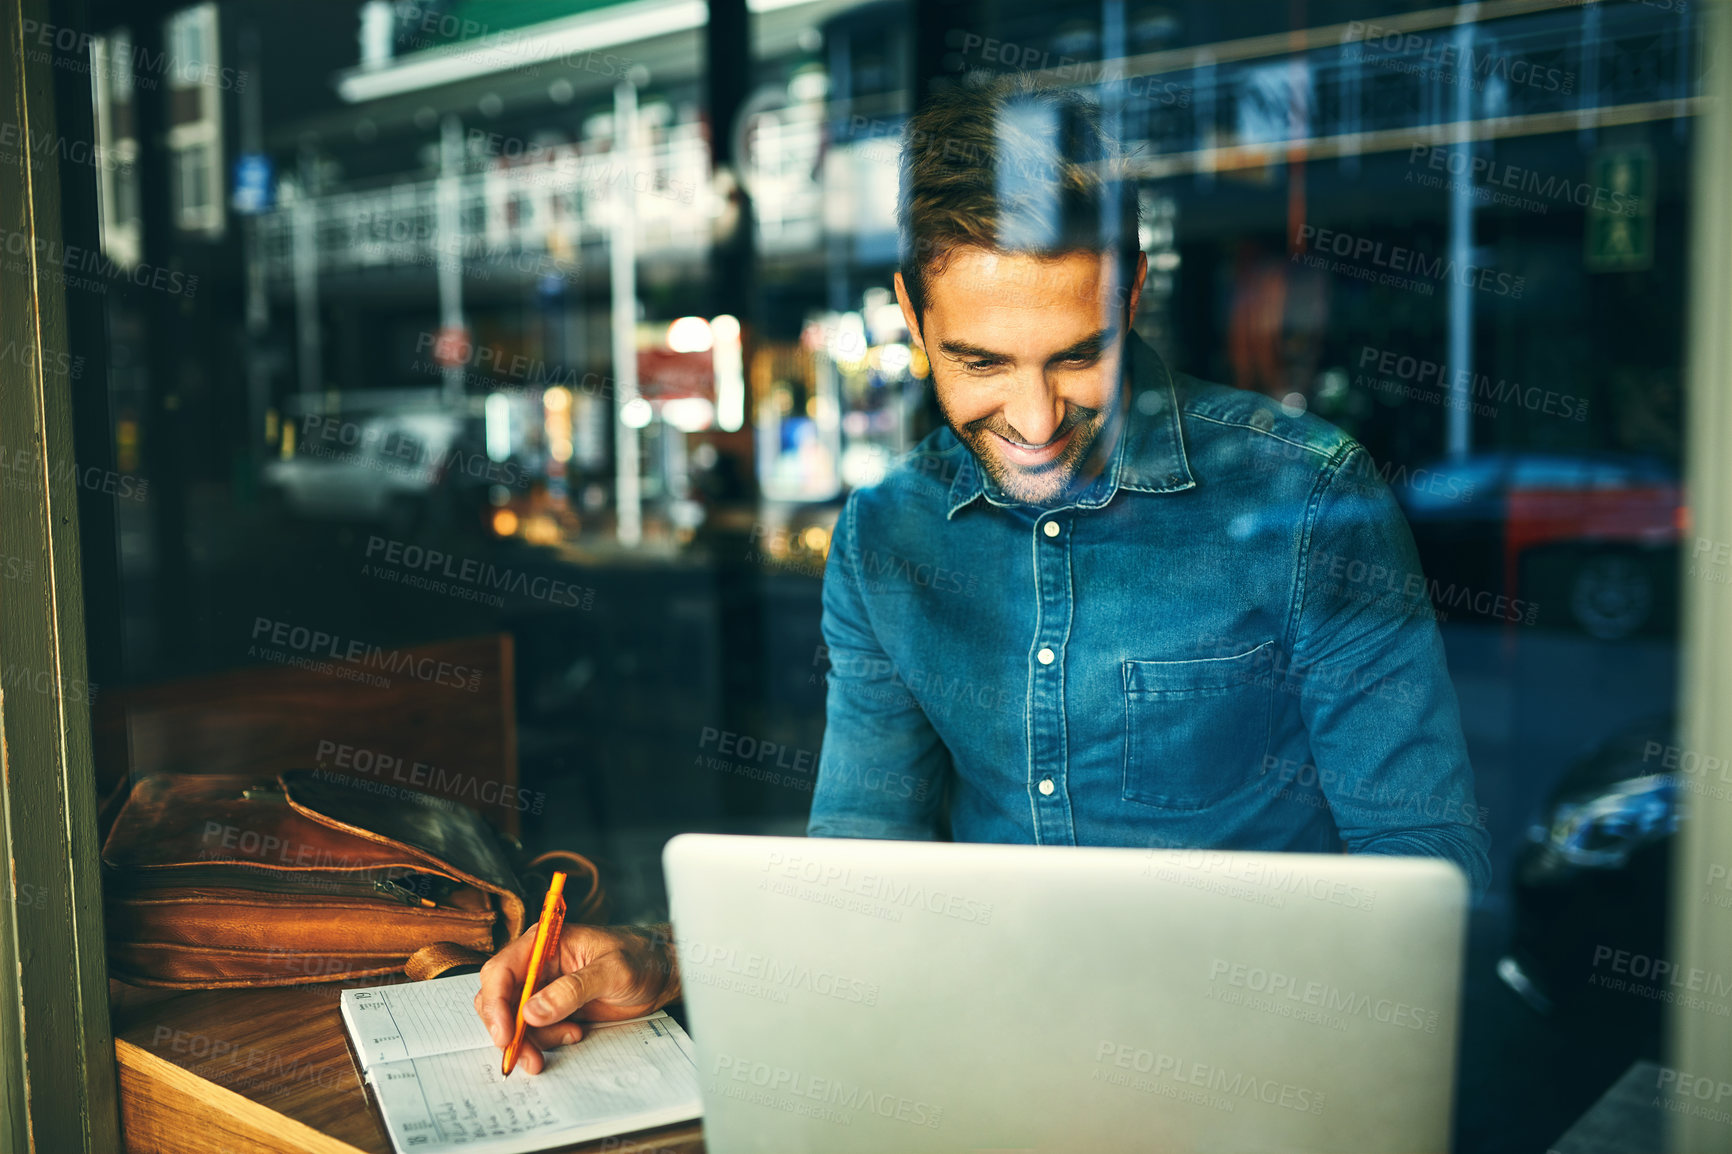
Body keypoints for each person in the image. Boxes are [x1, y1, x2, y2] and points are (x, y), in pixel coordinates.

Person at [476, 75, 1491, 1074]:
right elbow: (862, 862)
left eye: (1075, 355)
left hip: (1253, 1072)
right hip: (990, 1061)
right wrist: (662, 954)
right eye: (982, 363)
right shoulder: (884, 539)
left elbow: (1435, 875)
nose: (1038, 419)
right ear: (912, 317)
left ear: (1132, 292)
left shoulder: (1307, 501)